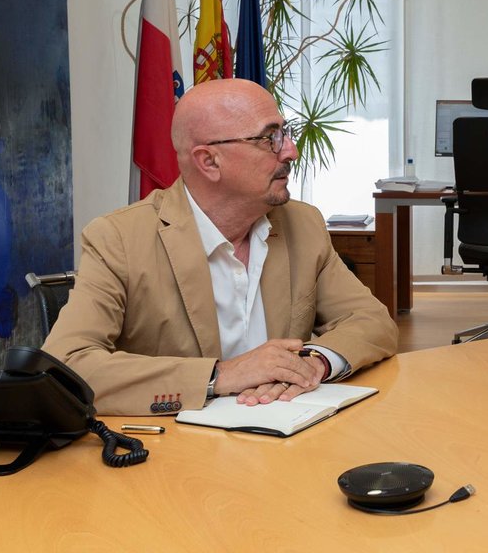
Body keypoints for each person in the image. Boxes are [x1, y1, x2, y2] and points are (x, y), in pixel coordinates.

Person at [44, 78, 397, 416]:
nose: (291, 150)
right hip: (175, 457)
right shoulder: (118, 239)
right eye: (269, 138)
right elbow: (66, 364)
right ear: (209, 161)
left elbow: (372, 320)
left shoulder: (302, 224)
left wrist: (313, 362)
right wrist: (221, 375)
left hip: (290, 438)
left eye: (285, 133)